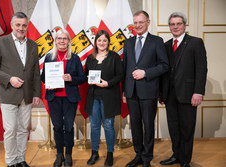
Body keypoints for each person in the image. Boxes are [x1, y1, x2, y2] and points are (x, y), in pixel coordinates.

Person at [0, 12, 41, 167]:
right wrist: (9, 79)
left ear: (27, 26)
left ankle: (21, 159)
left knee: (24, 130)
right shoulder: (0, 42)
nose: (21, 28)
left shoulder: (33, 45)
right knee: (10, 130)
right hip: (8, 94)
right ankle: (11, 161)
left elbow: (35, 71)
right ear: (12, 25)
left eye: (24, 25)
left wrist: (37, 93)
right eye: (18, 25)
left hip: (27, 95)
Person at [159, 12, 207, 167]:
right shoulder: (166, 45)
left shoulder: (195, 43)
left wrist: (198, 92)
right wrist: (161, 93)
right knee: (173, 128)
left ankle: (185, 160)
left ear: (184, 25)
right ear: (169, 27)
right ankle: (176, 155)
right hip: (169, 95)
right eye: (172, 24)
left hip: (188, 94)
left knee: (186, 128)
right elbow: (164, 71)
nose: (175, 27)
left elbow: (201, 69)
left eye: (178, 24)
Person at [123, 10, 169, 167]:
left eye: (141, 22)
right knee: (135, 125)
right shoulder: (128, 42)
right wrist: (124, 90)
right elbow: (125, 68)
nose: (137, 25)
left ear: (148, 23)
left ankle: (147, 158)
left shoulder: (157, 41)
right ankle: (138, 155)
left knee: (148, 125)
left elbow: (164, 66)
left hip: (149, 91)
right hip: (131, 92)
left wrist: (146, 73)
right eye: (135, 22)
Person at [41, 29, 86, 167]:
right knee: (58, 126)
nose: (62, 41)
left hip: (69, 98)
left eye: (64, 38)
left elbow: (82, 78)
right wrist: (48, 83)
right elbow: (43, 77)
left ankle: (68, 155)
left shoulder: (75, 57)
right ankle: (59, 154)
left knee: (68, 126)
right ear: (55, 41)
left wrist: (71, 78)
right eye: (59, 38)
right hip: (54, 98)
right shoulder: (49, 57)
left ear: (68, 41)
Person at [84, 30, 123, 166]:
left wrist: (108, 83)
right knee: (94, 126)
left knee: (108, 126)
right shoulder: (90, 58)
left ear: (108, 42)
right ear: (95, 42)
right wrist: (88, 78)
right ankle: (94, 153)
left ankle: (110, 154)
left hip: (109, 96)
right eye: (99, 40)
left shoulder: (114, 57)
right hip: (94, 97)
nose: (101, 43)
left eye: (104, 40)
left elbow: (120, 76)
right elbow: (86, 74)